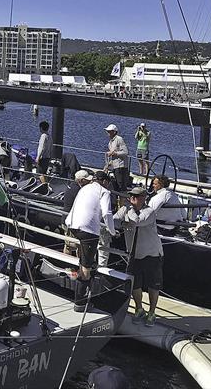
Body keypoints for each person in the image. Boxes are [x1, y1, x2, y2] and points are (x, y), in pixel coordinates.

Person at [63, 169, 115, 311]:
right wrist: (113, 231)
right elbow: (107, 213)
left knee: (82, 260)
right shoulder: (104, 192)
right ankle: (80, 303)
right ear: (105, 182)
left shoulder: (85, 188)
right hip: (88, 230)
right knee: (86, 267)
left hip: (73, 225)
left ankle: (75, 288)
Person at [115, 187, 163, 327]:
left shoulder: (149, 212)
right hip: (134, 254)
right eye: (131, 195)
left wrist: (128, 211)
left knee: (153, 285)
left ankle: (152, 312)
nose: (133, 198)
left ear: (143, 198)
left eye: (136, 196)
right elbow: (114, 221)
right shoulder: (125, 209)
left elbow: (137, 221)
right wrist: (123, 218)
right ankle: (139, 308)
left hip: (152, 253)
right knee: (135, 284)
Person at [104, 124, 129, 192]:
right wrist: (107, 165)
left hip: (121, 166)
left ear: (114, 132)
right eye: (107, 131)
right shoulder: (110, 143)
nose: (108, 133)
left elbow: (126, 152)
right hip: (115, 166)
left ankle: (122, 199)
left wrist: (115, 153)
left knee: (121, 186)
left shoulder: (119, 139)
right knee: (117, 185)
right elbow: (113, 156)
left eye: (109, 131)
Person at [35, 121, 52, 186]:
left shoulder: (43, 136)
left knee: (40, 173)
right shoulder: (49, 136)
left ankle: (45, 186)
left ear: (41, 128)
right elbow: (51, 147)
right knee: (44, 173)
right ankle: (47, 185)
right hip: (47, 157)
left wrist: (38, 158)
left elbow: (41, 148)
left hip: (43, 157)